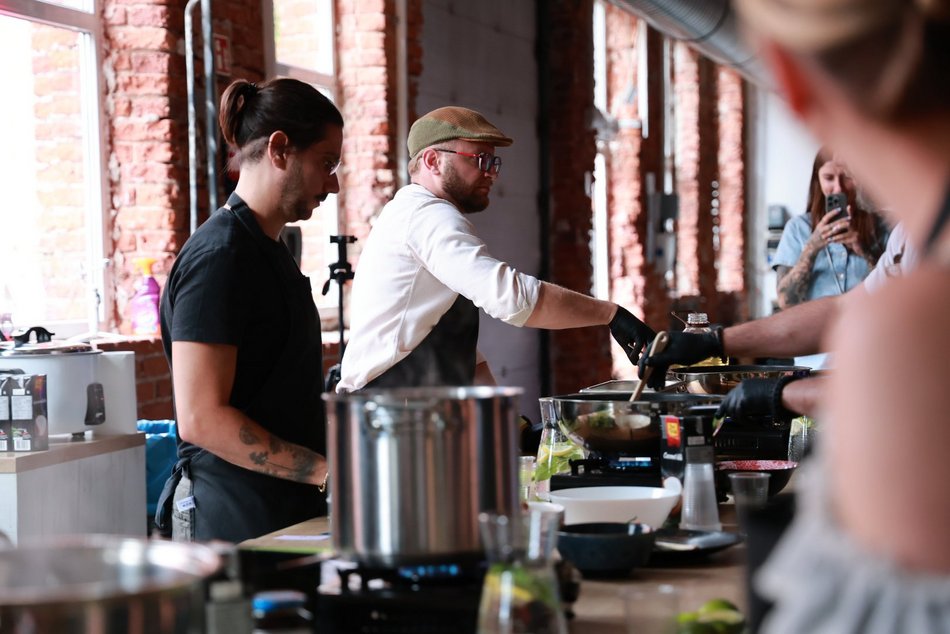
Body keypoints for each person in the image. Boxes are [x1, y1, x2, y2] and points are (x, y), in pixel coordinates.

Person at [737, 1, 950, 631]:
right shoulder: (917, 236)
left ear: (790, 79)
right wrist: (718, 341)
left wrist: (780, 391)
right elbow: (824, 305)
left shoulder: (912, 325)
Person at [336, 106, 654, 392]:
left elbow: (456, 350)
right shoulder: (428, 216)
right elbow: (512, 298)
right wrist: (610, 314)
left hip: (405, 407)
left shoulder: (416, 214)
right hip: (387, 413)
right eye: (480, 160)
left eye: (494, 162)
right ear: (433, 160)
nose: (491, 172)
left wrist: (511, 423)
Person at [154, 78, 342, 543]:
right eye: (326, 163)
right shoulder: (220, 257)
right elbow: (200, 416)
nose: (333, 184)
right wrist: (326, 471)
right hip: (231, 519)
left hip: (282, 511)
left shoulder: (268, 250)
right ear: (280, 149)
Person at [772, 151, 889, 368]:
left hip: (872, 357)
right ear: (817, 180)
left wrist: (865, 251)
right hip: (815, 362)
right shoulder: (798, 229)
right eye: (828, 178)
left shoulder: (883, 227)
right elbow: (787, 302)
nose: (838, 188)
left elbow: (898, 294)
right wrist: (812, 247)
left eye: (847, 177)